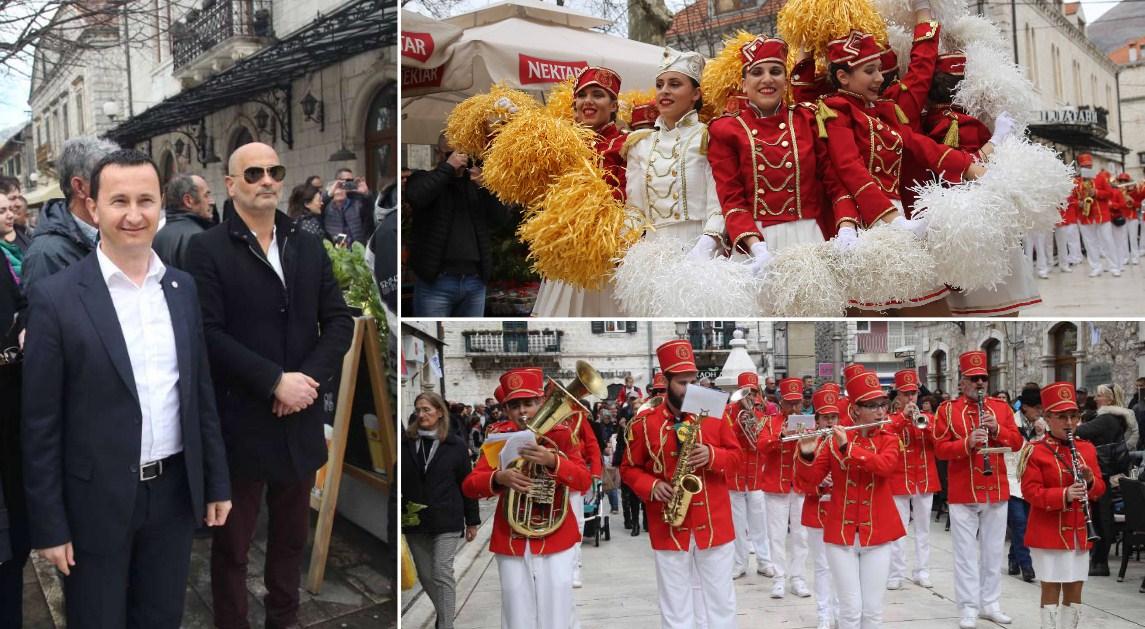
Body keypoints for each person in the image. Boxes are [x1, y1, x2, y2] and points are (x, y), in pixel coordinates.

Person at [22, 149, 232, 627]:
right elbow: (40, 424)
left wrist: (215, 480)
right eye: (119, 201)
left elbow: (199, 393)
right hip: (94, 501)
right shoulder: (56, 297)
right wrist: (50, 525)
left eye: (145, 200)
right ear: (93, 207)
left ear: (162, 205)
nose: (134, 215)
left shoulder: (181, 288)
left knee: (160, 618)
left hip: (174, 494)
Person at [187, 142, 354, 629]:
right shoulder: (208, 247)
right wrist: (273, 381)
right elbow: (207, 332)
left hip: (298, 416)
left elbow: (339, 321)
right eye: (254, 172)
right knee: (233, 547)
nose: (267, 179)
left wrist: (304, 381)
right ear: (231, 184)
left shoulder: (306, 240)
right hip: (242, 419)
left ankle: (284, 620)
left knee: (290, 540)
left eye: (274, 171)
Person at [818, 31, 985, 315]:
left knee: (924, 301)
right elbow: (850, 168)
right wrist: (891, 219)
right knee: (868, 307)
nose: (880, 78)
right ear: (843, 77)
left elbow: (919, 144)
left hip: (897, 217)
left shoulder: (884, 111)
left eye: (880, 70)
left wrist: (966, 166)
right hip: (861, 223)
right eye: (869, 71)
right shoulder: (836, 112)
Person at [706, 36, 857, 278]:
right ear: (744, 84)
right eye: (757, 72)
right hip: (757, 246)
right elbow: (731, 200)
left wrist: (847, 228)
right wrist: (758, 249)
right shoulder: (726, 130)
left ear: (785, 82)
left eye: (775, 71)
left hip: (810, 240)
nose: (767, 79)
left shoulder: (807, 119)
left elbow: (835, 184)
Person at [621, 339, 740, 629]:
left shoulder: (712, 410)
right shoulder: (643, 422)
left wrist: (713, 455)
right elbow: (628, 468)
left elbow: (739, 457)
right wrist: (650, 485)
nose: (690, 389)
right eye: (682, 383)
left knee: (721, 601)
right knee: (675, 605)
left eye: (693, 380)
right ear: (665, 381)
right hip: (668, 524)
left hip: (714, 522)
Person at [461, 368, 590, 629]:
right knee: (516, 610)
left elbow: (583, 481)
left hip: (556, 534)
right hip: (511, 537)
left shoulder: (561, 435)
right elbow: (470, 486)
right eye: (515, 405)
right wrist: (498, 478)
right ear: (506, 410)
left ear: (541, 402)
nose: (522, 412)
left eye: (529, 404)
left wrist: (553, 460)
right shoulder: (497, 437)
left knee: (558, 607)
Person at [796, 369, 905, 629]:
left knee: (873, 612)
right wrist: (807, 455)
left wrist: (849, 448)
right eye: (872, 406)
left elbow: (884, 467)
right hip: (841, 534)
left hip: (878, 533)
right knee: (850, 611)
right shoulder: (834, 440)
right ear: (856, 411)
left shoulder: (889, 439)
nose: (880, 412)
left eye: (882, 405)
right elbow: (807, 482)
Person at [933, 351, 1024, 628]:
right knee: (964, 553)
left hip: (995, 487)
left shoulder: (1001, 408)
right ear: (962, 381)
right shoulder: (947, 410)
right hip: (963, 490)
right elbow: (939, 449)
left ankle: (991, 603)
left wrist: (997, 429)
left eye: (984, 377)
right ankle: (968, 607)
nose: (980, 382)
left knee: (993, 550)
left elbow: (1018, 442)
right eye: (974, 378)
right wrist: (967, 443)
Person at [533, 66, 629, 316]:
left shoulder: (626, 145)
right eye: (582, 94)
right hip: (566, 253)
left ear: (614, 105)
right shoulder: (558, 143)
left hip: (611, 255)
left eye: (598, 94)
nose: (588, 101)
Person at [624, 49, 726, 264]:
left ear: (695, 94)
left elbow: (718, 205)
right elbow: (635, 209)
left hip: (700, 249)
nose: (664, 91)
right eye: (660, 85)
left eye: (674, 84)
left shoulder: (709, 136)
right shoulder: (639, 144)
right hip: (651, 255)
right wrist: (626, 244)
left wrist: (705, 247)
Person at [1020, 383, 1105, 629]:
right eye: (1062, 417)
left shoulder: (1086, 449)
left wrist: (1090, 481)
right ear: (1047, 417)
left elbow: (1100, 490)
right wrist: (1065, 494)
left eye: (1074, 416)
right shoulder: (1035, 451)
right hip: (1049, 531)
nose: (1069, 423)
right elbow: (1031, 493)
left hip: (1079, 530)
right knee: (1051, 586)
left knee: (1075, 587)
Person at [402, 391, 480, 629]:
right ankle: (444, 615)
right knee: (426, 576)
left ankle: (446, 625)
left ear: (439, 412)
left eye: (427, 409)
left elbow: (467, 484)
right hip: (415, 520)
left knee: (441, 572)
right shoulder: (406, 442)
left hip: (447, 517)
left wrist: (472, 520)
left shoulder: (455, 445)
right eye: (418, 409)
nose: (421, 414)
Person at [406, 134, 508, 317]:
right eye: (450, 154)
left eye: (461, 153)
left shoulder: (475, 183)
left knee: (469, 339)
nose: (457, 159)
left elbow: (501, 219)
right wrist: (447, 169)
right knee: (432, 340)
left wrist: (486, 188)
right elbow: (417, 196)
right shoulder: (422, 178)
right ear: (439, 154)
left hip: (474, 281)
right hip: (437, 282)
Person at [23, 137, 118, 292]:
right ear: (79, 187)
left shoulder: (111, 233)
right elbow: (40, 314)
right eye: (110, 180)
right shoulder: (45, 255)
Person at [757, 378, 811, 598]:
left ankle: (797, 577)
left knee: (801, 535)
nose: (795, 408)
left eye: (798, 403)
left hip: (799, 485)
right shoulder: (770, 422)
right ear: (781, 402)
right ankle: (779, 578)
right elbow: (761, 446)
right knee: (777, 535)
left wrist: (807, 441)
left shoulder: (808, 421)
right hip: (775, 486)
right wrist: (781, 437)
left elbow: (813, 453)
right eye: (790, 403)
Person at [886, 368, 938, 589]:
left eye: (913, 394)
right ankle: (896, 573)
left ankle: (922, 571)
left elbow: (937, 439)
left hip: (924, 478)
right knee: (899, 529)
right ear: (898, 395)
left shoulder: (928, 418)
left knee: (923, 529)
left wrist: (921, 422)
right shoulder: (890, 418)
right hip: (899, 479)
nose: (910, 398)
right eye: (906, 394)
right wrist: (902, 418)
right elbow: (886, 435)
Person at [1075, 382, 1135, 576]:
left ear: (1109, 399)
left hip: (1101, 470)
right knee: (1102, 515)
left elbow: (1079, 432)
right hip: (1106, 471)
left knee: (1101, 516)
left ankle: (1100, 562)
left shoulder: (1107, 418)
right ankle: (1099, 561)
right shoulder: (1116, 417)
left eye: (1100, 395)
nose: (1096, 398)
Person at [795, 387, 842, 629]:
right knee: (822, 567)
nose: (830, 422)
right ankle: (824, 614)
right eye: (826, 417)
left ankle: (841, 611)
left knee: (842, 568)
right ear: (817, 419)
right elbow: (799, 481)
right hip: (816, 511)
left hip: (841, 511)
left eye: (834, 417)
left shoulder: (846, 438)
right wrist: (818, 481)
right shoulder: (807, 441)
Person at [723, 371, 773, 579]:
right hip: (734, 475)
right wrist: (739, 423)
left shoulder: (762, 414)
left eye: (753, 392)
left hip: (755, 475)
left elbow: (764, 443)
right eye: (746, 393)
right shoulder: (727, 412)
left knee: (759, 523)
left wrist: (753, 421)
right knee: (737, 524)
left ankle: (764, 562)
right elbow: (725, 438)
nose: (749, 397)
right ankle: (739, 563)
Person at [1008, 386, 1042, 583]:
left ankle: (1014, 558)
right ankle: (1026, 565)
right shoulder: (1012, 422)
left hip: (1030, 480)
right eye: (1037, 409)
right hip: (1012, 478)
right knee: (1019, 522)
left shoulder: (1042, 425)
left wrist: (1039, 436)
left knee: (1026, 523)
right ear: (1026, 408)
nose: (1039, 413)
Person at [154, 174, 214, 270]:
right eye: (206, 195)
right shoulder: (199, 238)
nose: (212, 202)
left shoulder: (156, 237)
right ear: (188, 201)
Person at [322, 168, 375, 246]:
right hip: (336, 251)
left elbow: (371, 212)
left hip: (357, 248)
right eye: (346, 181)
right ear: (337, 181)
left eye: (351, 180)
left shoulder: (357, 202)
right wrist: (330, 193)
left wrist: (366, 194)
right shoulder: (327, 205)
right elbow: (317, 208)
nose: (349, 183)